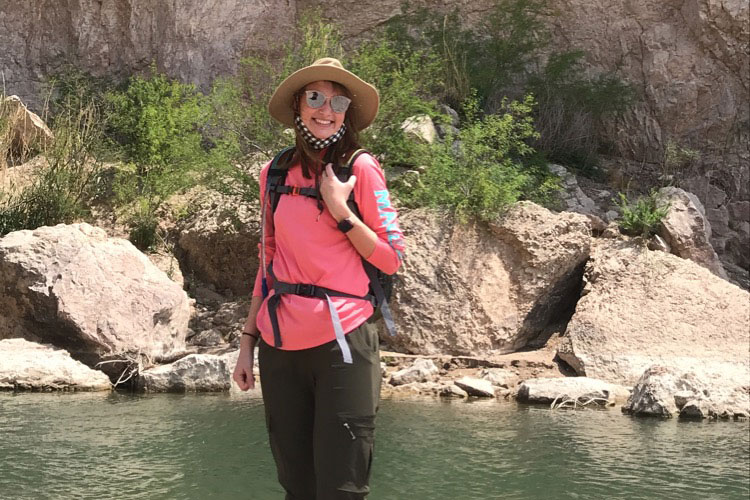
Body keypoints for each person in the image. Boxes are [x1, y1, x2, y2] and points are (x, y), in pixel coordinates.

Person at [232, 57, 404, 499]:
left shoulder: (361, 169)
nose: (326, 109)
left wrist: (340, 209)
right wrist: (247, 343)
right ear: (297, 105)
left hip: (343, 340)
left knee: (343, 488)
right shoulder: (272, 173)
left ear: (347, 112)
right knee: (297, 486)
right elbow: (267, 261)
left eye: (338, 100)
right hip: (279, 346)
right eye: (314, 97)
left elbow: (390, 260)